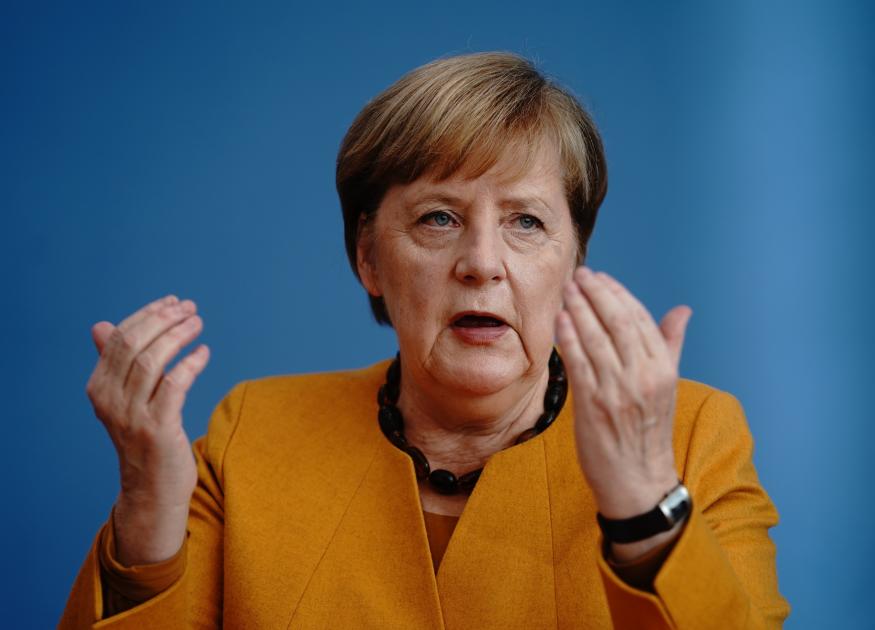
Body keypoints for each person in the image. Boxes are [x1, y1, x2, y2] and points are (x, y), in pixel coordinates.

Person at [60, 52, 790, 629]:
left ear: (574, 261)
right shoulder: (253, 436)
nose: (481, 262)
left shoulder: (693, 438)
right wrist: (147, 506)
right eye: (438, 217)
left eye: (526, 222)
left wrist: (641, 507)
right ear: (369, 258)